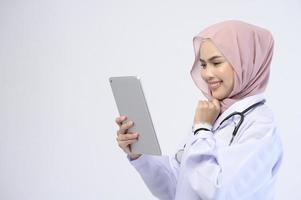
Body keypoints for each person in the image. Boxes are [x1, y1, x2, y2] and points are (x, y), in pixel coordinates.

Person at [114, 20, 283, 200]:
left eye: (216, 63)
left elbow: (217, 191)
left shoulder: (261, 127)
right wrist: (140, 155)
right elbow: (176, 188)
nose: (207, 74)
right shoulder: (214, 115)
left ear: (247, 62)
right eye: (203, 64)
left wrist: (202, 128)